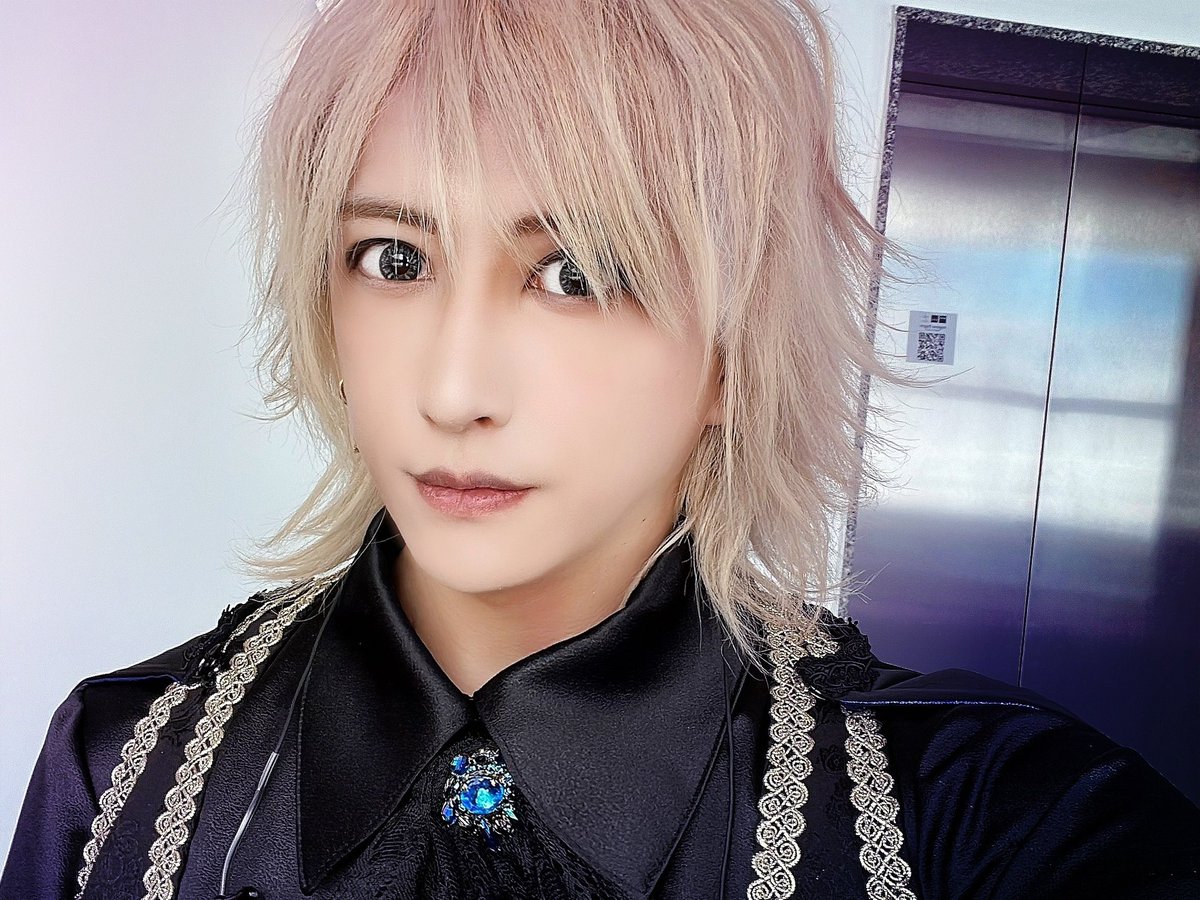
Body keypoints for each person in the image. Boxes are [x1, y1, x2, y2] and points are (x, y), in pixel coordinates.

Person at [3, 0, 1199, 898]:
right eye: (395, 259)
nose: (452, 390)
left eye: (576, 273)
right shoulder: (124, 764)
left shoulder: (974, 814)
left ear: (732, 352)